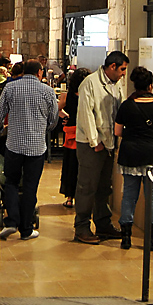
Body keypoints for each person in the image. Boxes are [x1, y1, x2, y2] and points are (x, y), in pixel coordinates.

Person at [0, 59, 58, 241]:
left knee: (11, 182)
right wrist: (44, 129)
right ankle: (26, 229)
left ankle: (11, 221)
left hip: (14, 145)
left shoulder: (11, 88)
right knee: (30, 186)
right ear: (39, 73)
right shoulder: (47, 91)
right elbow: (53, 120)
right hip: (36, 148)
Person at [114, 66, 153, 250]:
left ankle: (125, 237)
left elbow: (118, 131)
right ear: (150, 86)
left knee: (129, 196)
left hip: (130, 154)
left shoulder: (126, 105)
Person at [73, 50, 129, 245]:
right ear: (112, 66)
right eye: (122, 69)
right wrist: (94, 141)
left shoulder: (116, 84)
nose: (123, 74)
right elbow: (86, 114)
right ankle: (81, 226)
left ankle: (103, 223)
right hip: (92, 144)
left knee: (104, 187)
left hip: (109, 143)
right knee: (87, 186)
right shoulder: (90, 83)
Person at [58, 67, 90, 209]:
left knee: (70, 166)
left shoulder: (67, 95)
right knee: (83, 167)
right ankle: (83, 199)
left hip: (71, 133)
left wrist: (66, 117)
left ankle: (69, 198)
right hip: (85, 133)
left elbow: (56, 109)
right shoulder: (89, 95)